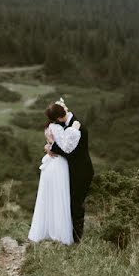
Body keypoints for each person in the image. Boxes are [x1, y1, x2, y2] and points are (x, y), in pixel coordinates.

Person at [27, 110, 81, 245]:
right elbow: (65, 147)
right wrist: (74, 130)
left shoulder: (48, 127)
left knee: (48, 196)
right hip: (58, 164)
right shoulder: (56, 127)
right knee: (58, 196)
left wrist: (48, 147)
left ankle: (45, 230)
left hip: (50, 164)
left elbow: (52, 145)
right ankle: (59, 233)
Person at [44, 98, 94, 243]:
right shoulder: (66, 123)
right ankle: (67, 235)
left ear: (60, 117)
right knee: (68, 203)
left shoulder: (77, 127)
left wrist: (51, 147)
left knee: (76, 204)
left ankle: (76, 239)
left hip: (82, 171)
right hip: (71, 171)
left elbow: (69, 151)